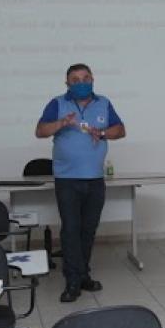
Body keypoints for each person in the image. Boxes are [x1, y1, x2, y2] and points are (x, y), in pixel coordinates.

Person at [35, 63, 126, 302]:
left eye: (85, 78)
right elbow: (40, 131)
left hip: (95, 179)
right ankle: (72, 280)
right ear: (67, 84)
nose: (81, 82)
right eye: (75, 79)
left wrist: (103, 133)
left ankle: (83, 274)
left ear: (93, 79)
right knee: (71, 230)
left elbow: (120, 130)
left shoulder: (103, 103)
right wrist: (61, 123)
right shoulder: (57, 103)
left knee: (88, 230)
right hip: (67, 180)